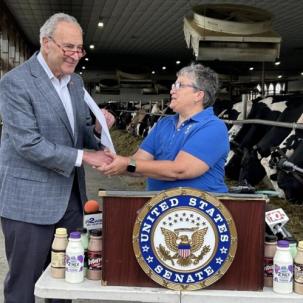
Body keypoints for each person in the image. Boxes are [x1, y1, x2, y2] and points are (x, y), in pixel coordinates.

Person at [0, 13, 114, 303]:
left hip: (72, 201)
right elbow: (28, 143)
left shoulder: (75, 82)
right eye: (69, 48)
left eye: (80, 49)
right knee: (24, 283)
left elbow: (81, 132)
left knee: (66, 280)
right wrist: (85, 157)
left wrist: (99, 130)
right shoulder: (16, 83)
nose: (76, 55)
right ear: (46, 43)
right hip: (29, 203)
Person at [97, 63, 230, 193]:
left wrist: (127, 164)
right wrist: (113, 161)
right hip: (160, 208)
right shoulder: (164, 123)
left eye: (180, 85)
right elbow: (139, 162)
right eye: (173, 85)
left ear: (198, 95)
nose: (172, 90)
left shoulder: (212, 127)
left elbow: (180, 170)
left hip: (196, 211)